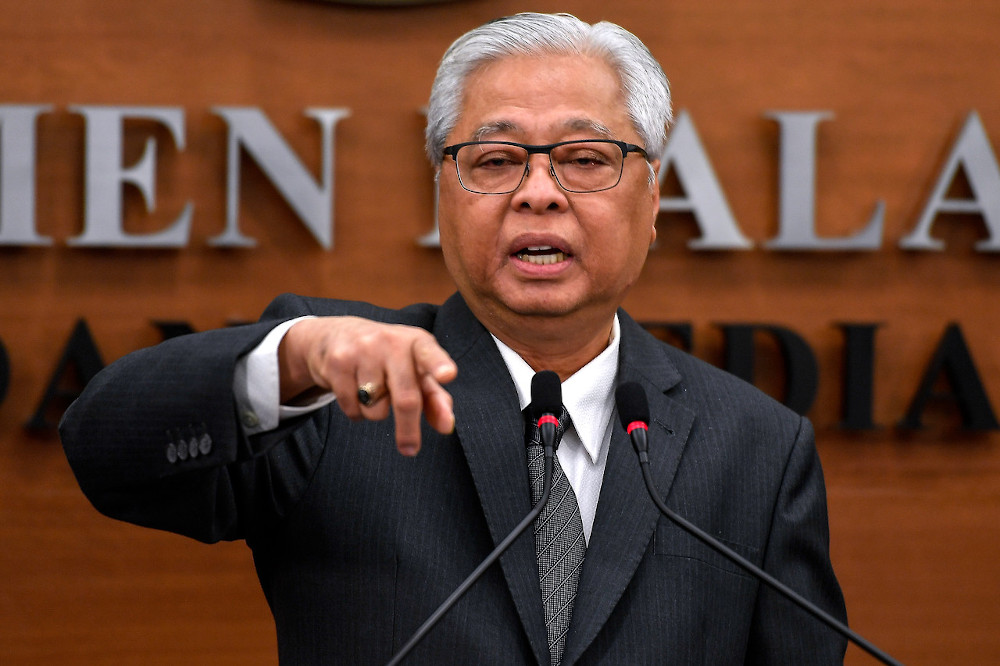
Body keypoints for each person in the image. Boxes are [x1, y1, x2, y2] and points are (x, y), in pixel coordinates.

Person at [60, 12, 847, 665]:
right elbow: (106, 450)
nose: (539, 194)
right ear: (443, 191)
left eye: (584, 158)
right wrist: (293, 357)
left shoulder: (757, 450)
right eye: (497, 159)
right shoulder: (337, 395)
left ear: (653, 200)